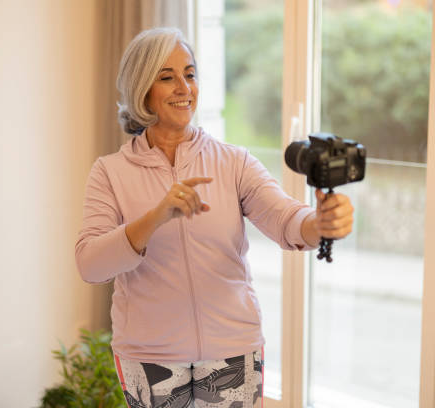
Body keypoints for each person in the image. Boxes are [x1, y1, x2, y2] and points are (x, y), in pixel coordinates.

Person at [75, 27, 354, 408]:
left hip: (231, 348)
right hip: (148, 354)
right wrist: (156, 217)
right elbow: (91, 263)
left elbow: (284, 217)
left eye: (189, 75)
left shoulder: (233, 161)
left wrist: (318, 223)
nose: (184, 88)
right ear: (142, 88)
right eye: (167, 76)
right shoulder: (110, 172)